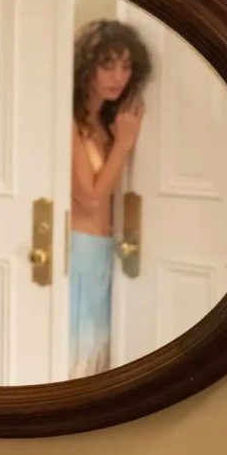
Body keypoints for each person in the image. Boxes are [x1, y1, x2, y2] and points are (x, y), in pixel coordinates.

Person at [69, 19, 151, 378]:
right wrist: (123, 143)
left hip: (106, 252)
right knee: (77, 358)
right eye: (107, 65)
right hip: (79, 251)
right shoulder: (70, 122)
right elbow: (89, 197)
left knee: (100, 359)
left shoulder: (105, 123)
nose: (118, 76)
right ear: (87, 67)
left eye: (126, 66)